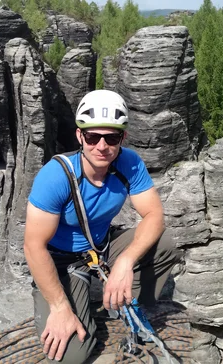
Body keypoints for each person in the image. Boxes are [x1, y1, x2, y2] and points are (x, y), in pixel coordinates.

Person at [24, 90, 180, 363]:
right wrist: (60, 307)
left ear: (123, 138)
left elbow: (154, 214)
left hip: (101, 248)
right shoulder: (57, 176)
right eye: (93, 137)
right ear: (80, 136)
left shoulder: (128, 164)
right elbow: (34, 246)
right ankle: (80, 303)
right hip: (62, 263)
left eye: (112, 138)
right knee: (71, 356)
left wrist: (125, 263)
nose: (102, 146)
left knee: (165, 245)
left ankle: (123, 303)